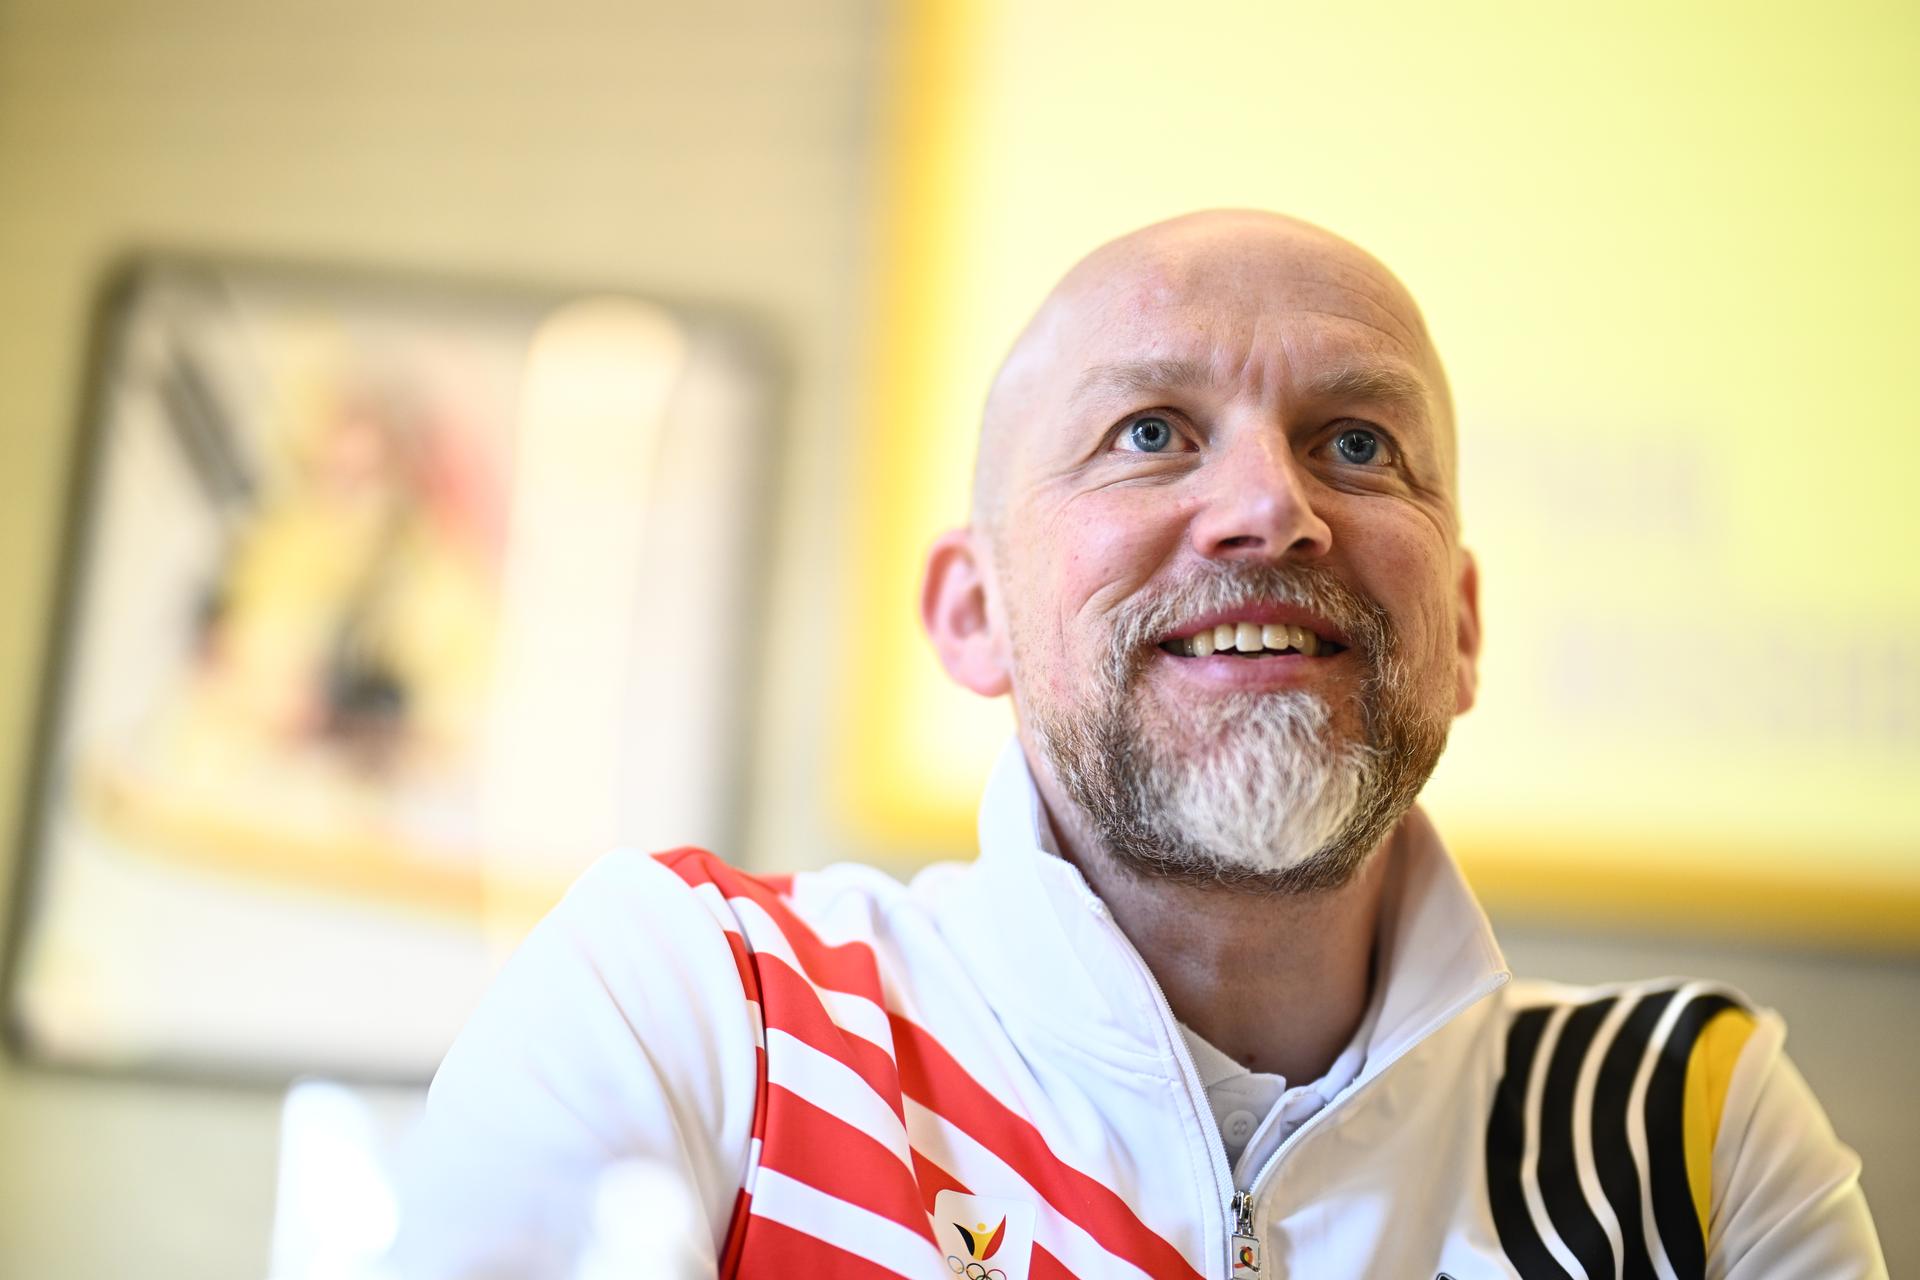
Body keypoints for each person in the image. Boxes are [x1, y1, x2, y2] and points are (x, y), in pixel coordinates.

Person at [391, 211, 1886, 1279]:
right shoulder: (702, 1000)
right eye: (1154, 433)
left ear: (1464, 629)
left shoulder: (1690, 1131)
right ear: (973, 612)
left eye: (1358, 442)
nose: (1271, 509)